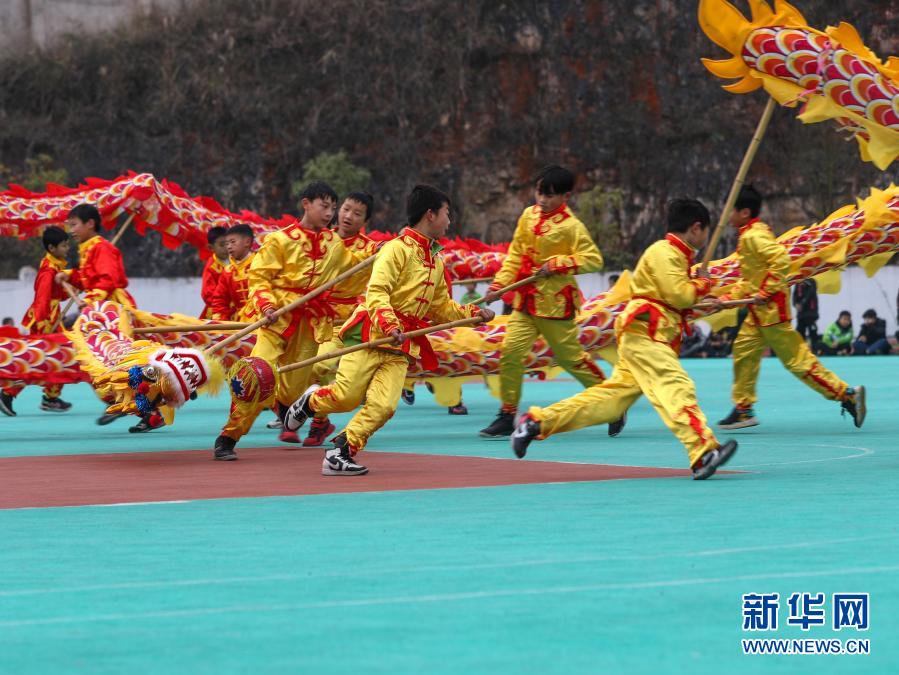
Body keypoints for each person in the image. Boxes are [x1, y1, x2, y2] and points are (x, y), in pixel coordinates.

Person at [509, 199, 738, 480]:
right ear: (696, 228)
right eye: (706, 231)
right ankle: (703, 450)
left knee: (610, 403)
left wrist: (706, 300)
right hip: (646, 336)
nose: (705, 237)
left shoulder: (674, 256)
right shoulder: (665, 252)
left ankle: (536, 423)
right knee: (675, 386)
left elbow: (675, 301)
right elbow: (679, 295)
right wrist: (703, 284)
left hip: (644, 337)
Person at [284, 185, 493, 475]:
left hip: (402, 344)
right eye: (447, 214)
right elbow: (377, 292)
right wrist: (390, 324)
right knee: (346, 397)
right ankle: (311, 401)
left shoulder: (436, 261)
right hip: (371, 334)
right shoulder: (396, 249)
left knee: (383, 407)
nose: (449, 221)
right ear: (430, 215)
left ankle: (340, 452)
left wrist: (474, 314)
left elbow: (442, 308)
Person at [213, 181, 369, 460]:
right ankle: (228, 436)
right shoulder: (280, 240)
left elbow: (351, 272)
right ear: (306, 204)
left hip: (311, 326)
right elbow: (259, 277)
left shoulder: (334, 243)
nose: (330, 213)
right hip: (278, 320)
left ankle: (287, 408)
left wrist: (380, 259)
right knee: (254, 375)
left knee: (296, 386)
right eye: (325, 206)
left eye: (333, 208)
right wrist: (267, 304)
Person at [717, 186, 865, 430]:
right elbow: (751, 279)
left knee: (797, 361)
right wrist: (726, 298)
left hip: (772, 312)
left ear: (744, 212)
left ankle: (846, 394)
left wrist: (766, 291)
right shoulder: (748, 234)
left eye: (729, 209)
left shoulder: (754, 236)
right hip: (759, 312)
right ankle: (743, 409)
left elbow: (781, 260)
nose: (725, 214)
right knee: (743, 351)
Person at [479, 165, 610, 438]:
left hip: (555, 305)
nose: (542, 199)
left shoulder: (572, 226)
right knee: (510, 354)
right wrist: (499, 285)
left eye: (550, 195)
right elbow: (515, 255)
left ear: (566, 196)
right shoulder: (528, 216)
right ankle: (506, 414)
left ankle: (612, 401)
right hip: (525, 302)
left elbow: (594, 259)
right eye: (540, 192)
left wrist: (559, 263)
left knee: (570, 359)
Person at [303, 192, 379, 446]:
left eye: (357, 213)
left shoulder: (370, 250)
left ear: (365, 220)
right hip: (311, 316)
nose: (348, 216)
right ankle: (320, 421)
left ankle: (317, 420)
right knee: (295, 371)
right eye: (346, 209)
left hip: (342, 322)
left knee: (320, 366)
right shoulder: (319, 237)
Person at [0, 226, 74, 417]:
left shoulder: (54, 266)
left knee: (59, 356)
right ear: (52, 247)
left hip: (51, 317)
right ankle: (8, 393)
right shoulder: (48, 271)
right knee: (36, 360)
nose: (67, 249)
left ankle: (51, 397)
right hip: (45, 321)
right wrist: (43, 325)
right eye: (64, 245)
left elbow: (56, 294)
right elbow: (42, 299)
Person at [57, 203, 136, 309]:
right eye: (70, 226)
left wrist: (90, 300)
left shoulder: (102, 247)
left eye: (74, 225)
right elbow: (88, 282)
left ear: (90, 223)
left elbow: (108, 280)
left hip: (113, 306)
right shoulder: (88, 248)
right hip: (99, 304)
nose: (71, 231)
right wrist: (69, 275)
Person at [209, 224, 257, 322]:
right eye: (227, 244)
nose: (229, 247)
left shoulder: (262, 264)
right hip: (237, 323)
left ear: (247, 242)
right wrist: (220, 323)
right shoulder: (228, 272)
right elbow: (220, 300)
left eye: (233, 242)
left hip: (262, 318)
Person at [200, 226, 229, 319]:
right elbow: (207, 293)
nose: (226, 248)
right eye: (221, 245)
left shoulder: (235, 260)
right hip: (218, 310)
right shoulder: (211, 267)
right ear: (210, 247)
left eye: (228, 244)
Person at [792, 278, 819, 342]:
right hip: (801, 313)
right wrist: (795, 304)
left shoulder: (812, 280)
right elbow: (794, 295)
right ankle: (802, 350)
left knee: (812, 331)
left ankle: (815, 349)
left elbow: (810, 293)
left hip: (811, 312)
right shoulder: (798, 281)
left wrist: (802, 304)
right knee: (800, 332)